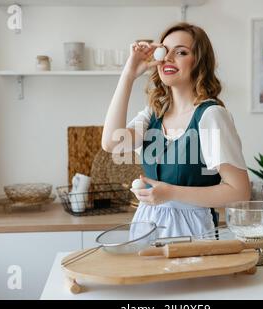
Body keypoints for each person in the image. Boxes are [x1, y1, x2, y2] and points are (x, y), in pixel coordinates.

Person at [102, 22, 250, 238]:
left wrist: (171, 193)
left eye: (181, 52)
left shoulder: (210, 115)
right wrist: (129, 74)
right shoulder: (153, 114)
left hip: (192, 233)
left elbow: (240, 192)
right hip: (146, 229)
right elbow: (111, 143)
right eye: (165, 51)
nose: (169, 58)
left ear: (199, 62)